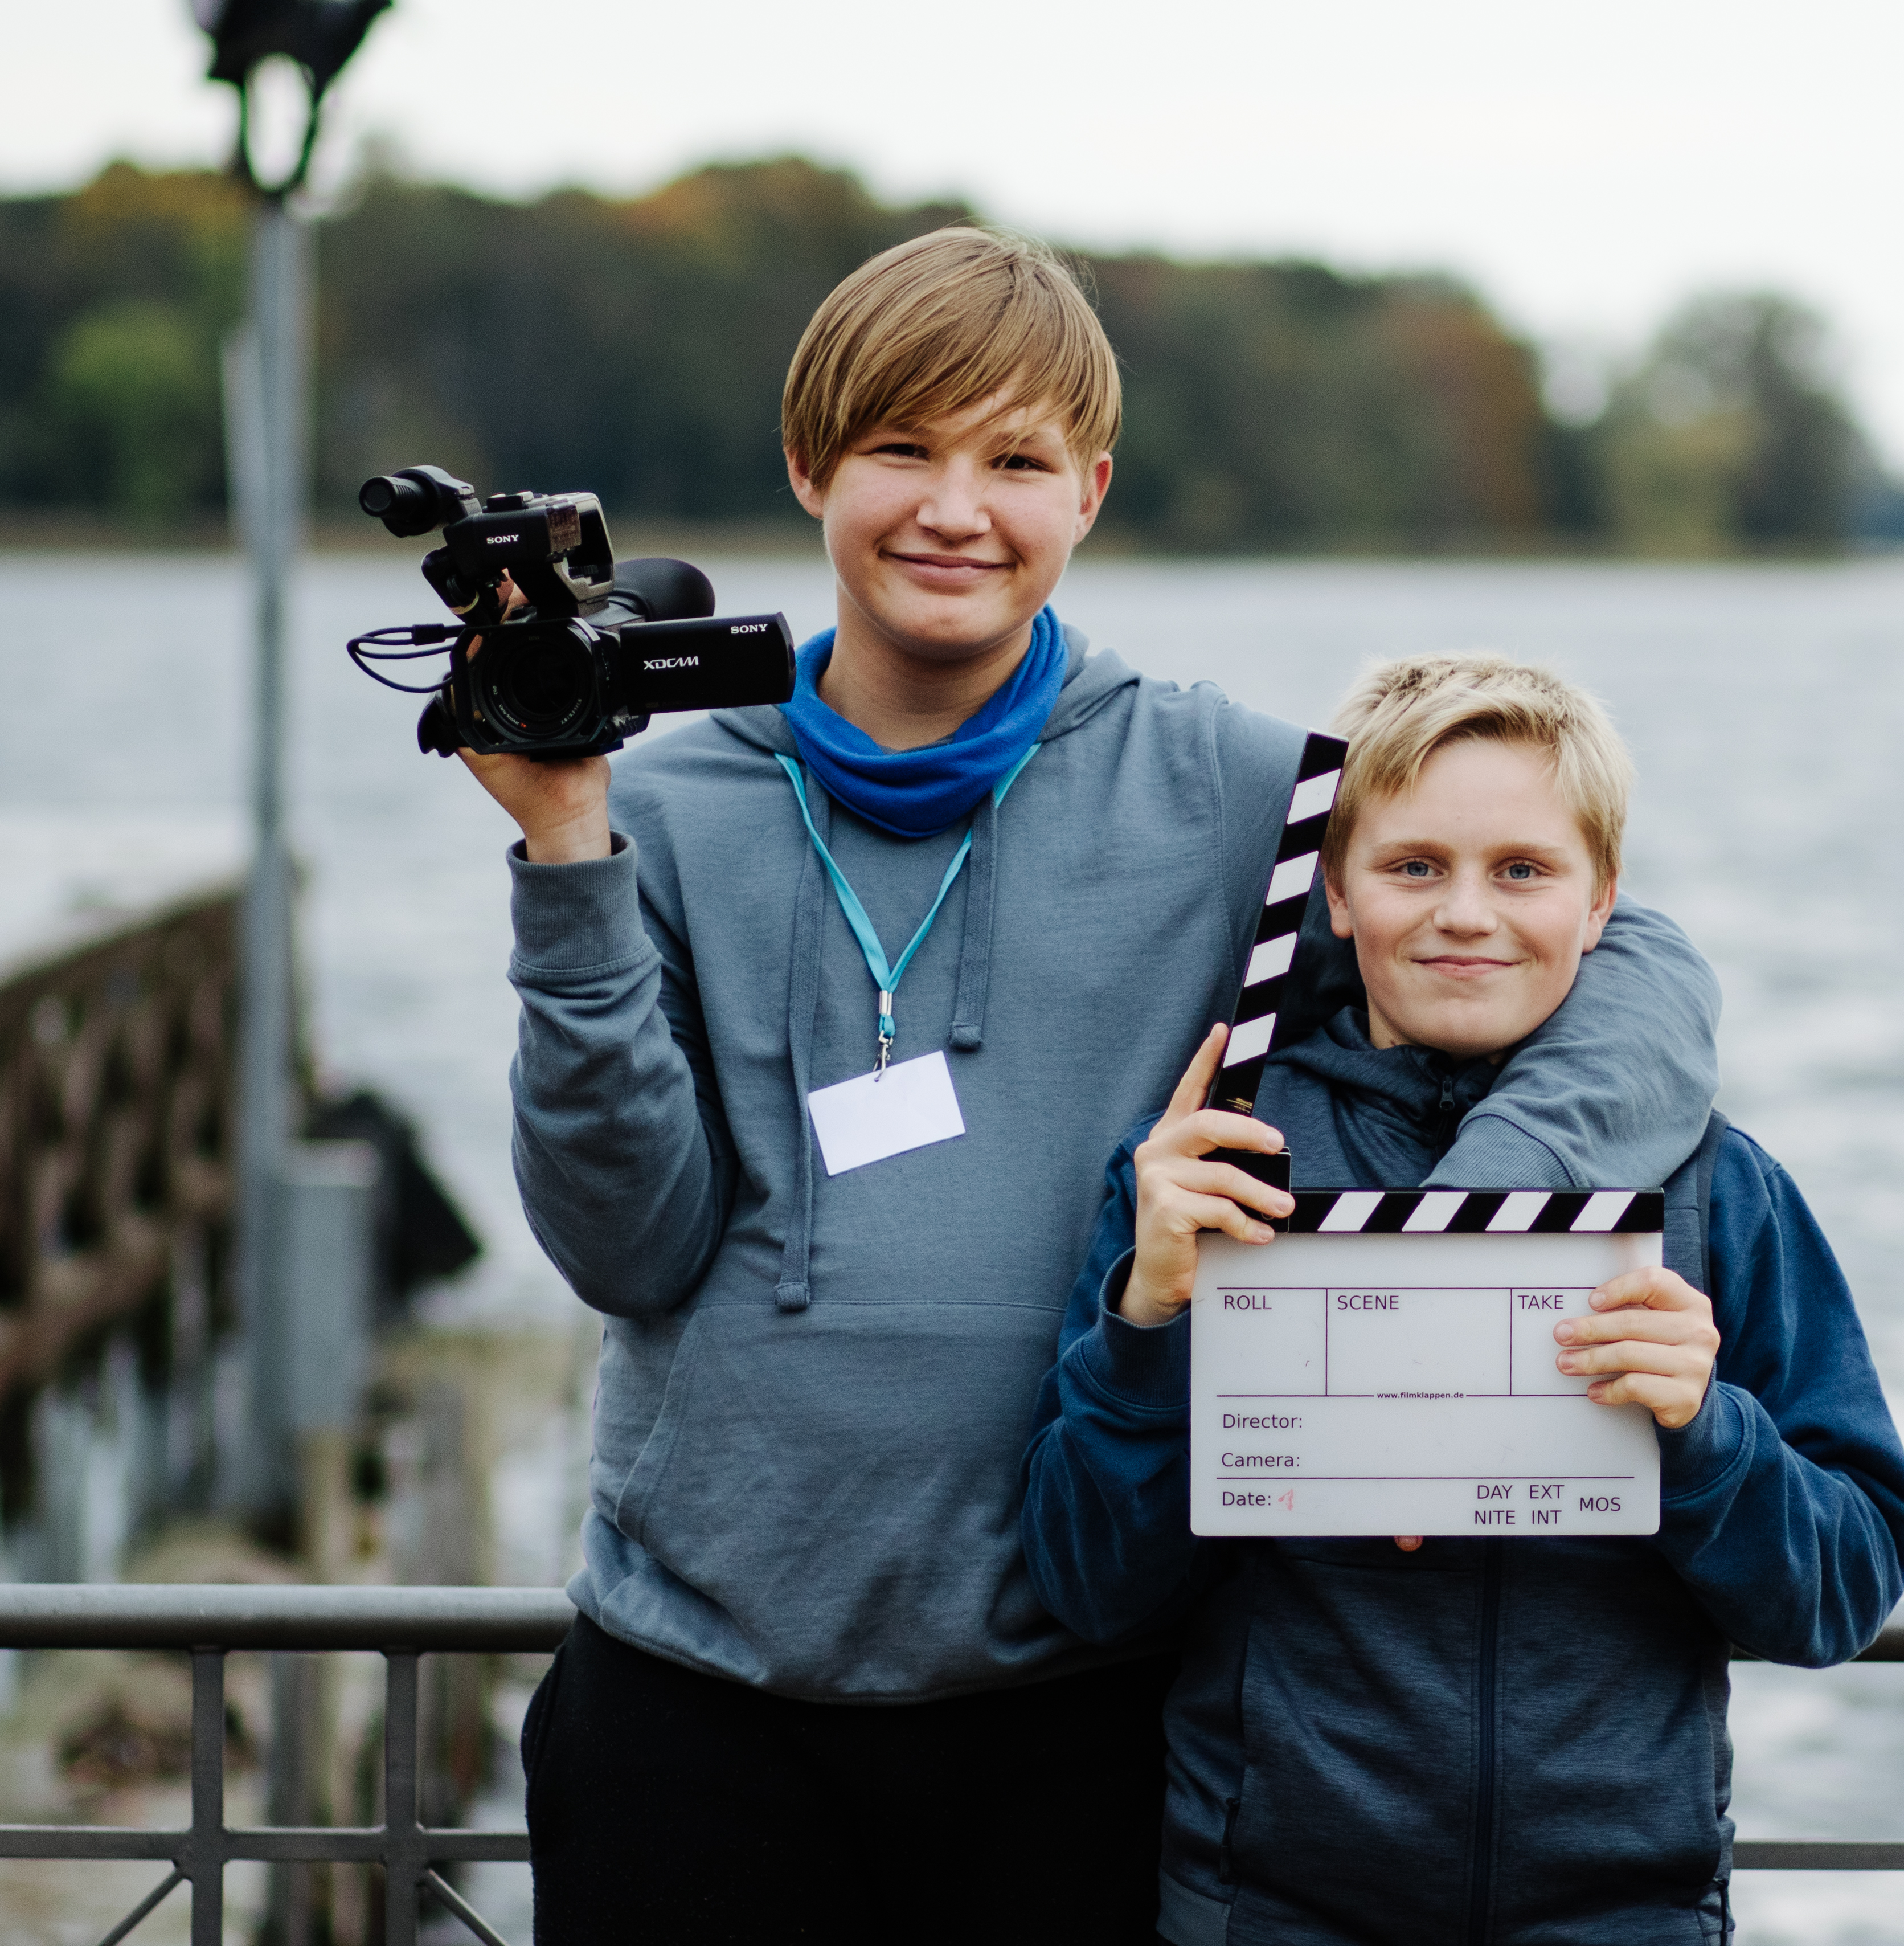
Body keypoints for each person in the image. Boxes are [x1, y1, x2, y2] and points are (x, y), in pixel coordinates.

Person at [472, 231, 1722, 1943]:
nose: (954, 510)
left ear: (1093, 493)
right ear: (808, 466)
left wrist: (1447, 1254)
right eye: (903, 450)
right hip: (693, 1689)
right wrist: (564, 851)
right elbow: (627, 1247)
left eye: (1016, 462)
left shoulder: (1241, 793)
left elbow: (1622, 966)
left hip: (1085, 1705)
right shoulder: (661, 806)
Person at [1022, 654, 1904, 1945]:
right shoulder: (1213, 1167)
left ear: (1603, 900)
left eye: (1522, 869)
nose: (1465, 914)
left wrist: (1705, 1434)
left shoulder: (1722, 1194)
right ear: (1335, 891)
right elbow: (1089, 1583)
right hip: (1273, 1901)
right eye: (1412, 866)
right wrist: (1149, 1323)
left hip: (1623, 1907)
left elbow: (1843, 1587)